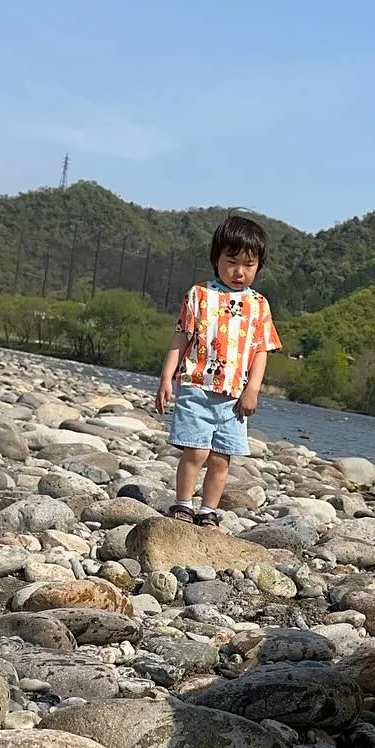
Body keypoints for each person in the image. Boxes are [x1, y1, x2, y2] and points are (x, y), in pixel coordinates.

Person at [155, 213, 281, 524]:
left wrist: (253, 390)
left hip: (234, 397)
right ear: (216, 258)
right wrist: (166, 378)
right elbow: (180, 337)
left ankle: (209, 511)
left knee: (221, 458)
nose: (239, 271)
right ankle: (183, 504)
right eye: (231, 261)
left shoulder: (259, 304)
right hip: (197, 387)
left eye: (248, 265)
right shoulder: (199, 295)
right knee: (195, 452)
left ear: (258, 266)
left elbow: (261, 350)